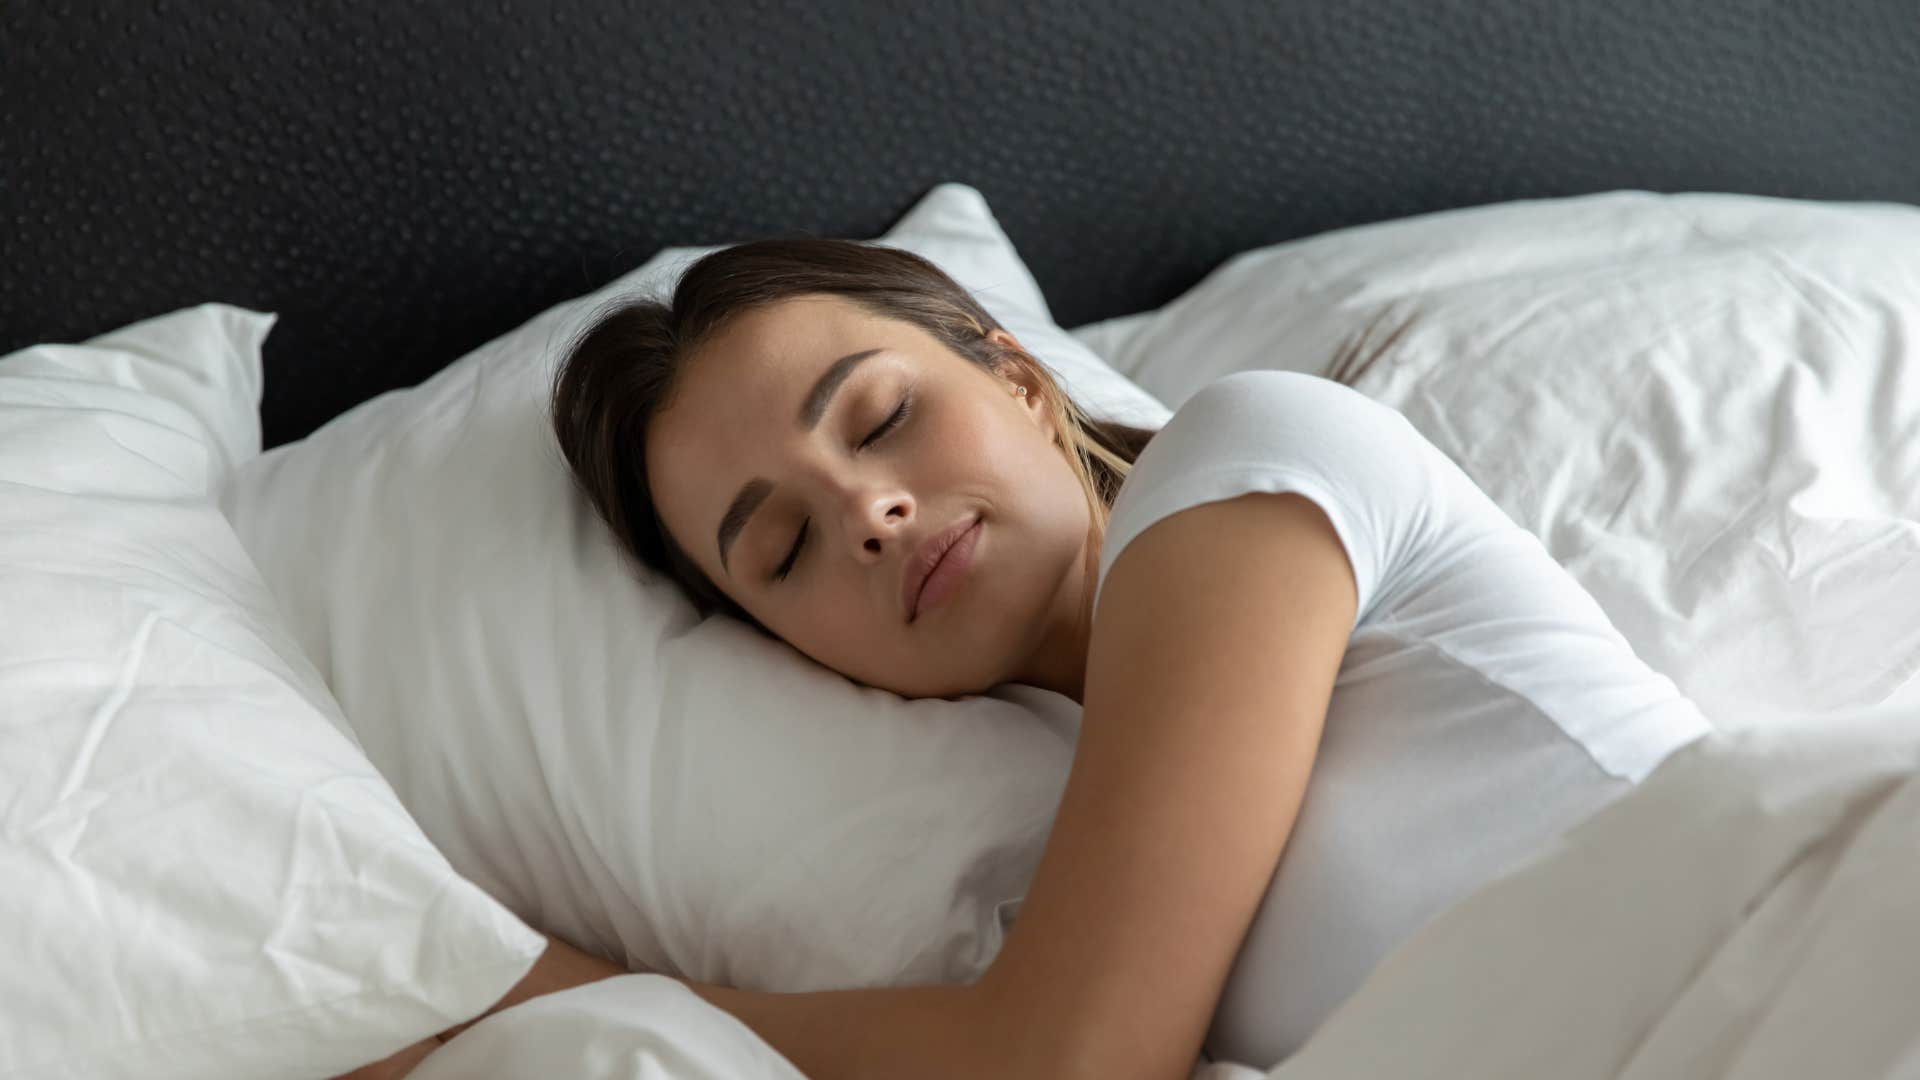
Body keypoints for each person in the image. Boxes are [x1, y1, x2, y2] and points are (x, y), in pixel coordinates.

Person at [345, 237, 1711, 1080]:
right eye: (784, 551)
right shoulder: (1058, 873)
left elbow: (1068, 1062)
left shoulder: (1241, 467)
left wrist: (557, 1001)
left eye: (878, 418)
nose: (868, 514)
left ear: (1016, 375)